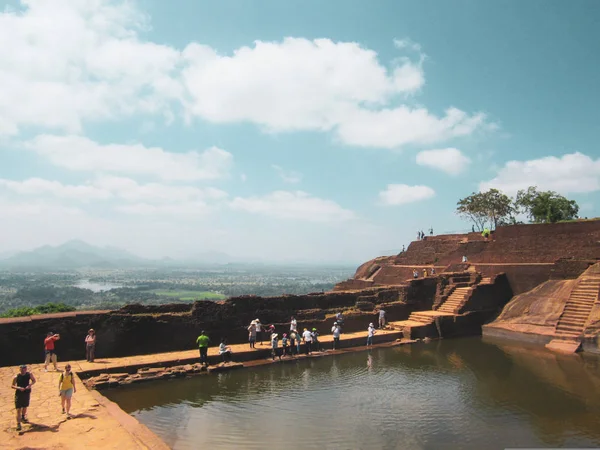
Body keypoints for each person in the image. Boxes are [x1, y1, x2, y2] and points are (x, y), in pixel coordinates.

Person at [12, 364, 36, 431]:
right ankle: (18, 424)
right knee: (18, 409)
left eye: (24, 368)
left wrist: (30, 385)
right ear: (20, 369)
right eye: (22, 369)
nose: (23, 370)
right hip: (19, 394)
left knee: (25, 406)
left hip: (26, 393)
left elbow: (34, 380)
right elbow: (12, 385)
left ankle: (23, 417)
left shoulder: (29, 374)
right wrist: (18, 388)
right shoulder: (16, 377)